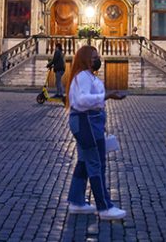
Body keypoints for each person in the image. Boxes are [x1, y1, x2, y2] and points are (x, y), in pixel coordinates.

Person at [64, 45, 127, 221]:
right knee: (96, 163)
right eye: (93, 57)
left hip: (91, 122)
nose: (97, 59)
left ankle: (76, 201)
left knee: (84, 162)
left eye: (97, 56)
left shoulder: (88, 76)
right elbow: (82, 100)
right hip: (86, 122)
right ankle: (104, 206)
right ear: (85, 59)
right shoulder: (83, 76)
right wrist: (106, 96)